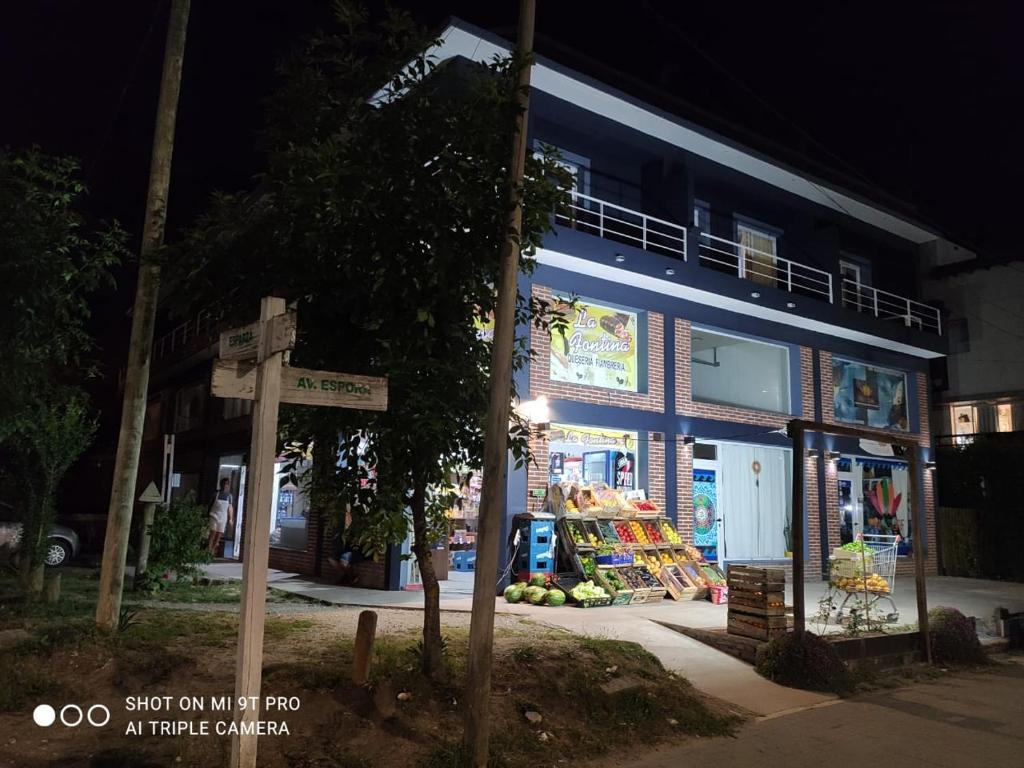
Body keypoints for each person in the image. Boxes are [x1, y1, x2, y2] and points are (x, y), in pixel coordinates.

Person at [327, 507, 361, 584]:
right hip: (342, 548)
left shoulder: (354, 528)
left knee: (344, 560)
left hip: (352, 549)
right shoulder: (340, 528)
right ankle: (345, 575)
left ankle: (350, 577)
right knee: (331, 559)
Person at [207, 478, 235, 555]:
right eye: (224, 484)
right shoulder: (216, 494)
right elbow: (210, 504)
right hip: (214, 514)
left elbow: (230, 508)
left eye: (227, 484)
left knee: (219, 534)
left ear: (228, 485)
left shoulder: (229, 496)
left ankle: (213, 549)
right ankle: (208, 549)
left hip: (223, 517)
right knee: (213, 532)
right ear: (221, 484)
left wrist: (231, 519)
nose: (225, 486)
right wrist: (207, 514)